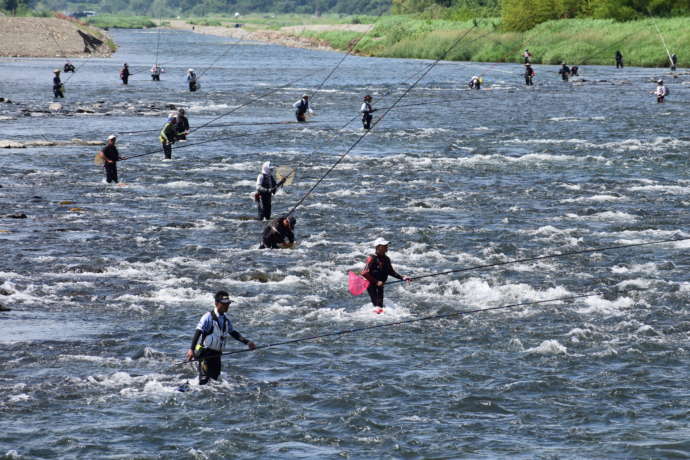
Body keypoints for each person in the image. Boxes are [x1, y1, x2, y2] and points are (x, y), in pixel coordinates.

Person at [185, 291, 256, 385]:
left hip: (217, 354)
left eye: (228, 304)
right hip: (204, 353)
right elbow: (198, 332)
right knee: (204, 380)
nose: (227, 306)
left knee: (214, 380)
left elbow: (233, 333)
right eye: (224, 304)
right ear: (216, 303)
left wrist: (247, 342)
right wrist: (191, 349)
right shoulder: (208, 317)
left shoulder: (226, 320)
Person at [360, 238, 411, 314]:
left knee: (380, 306)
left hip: (380, 285)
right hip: (372, 285)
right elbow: (364, 272)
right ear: (378, 247)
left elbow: (391, 272)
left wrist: (402, 277)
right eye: (384, 245)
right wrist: (376, 282)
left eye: (386, 245)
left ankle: (378, 315)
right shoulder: (372, 258)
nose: (386, 247)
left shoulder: (386, 259)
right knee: (377, 306)